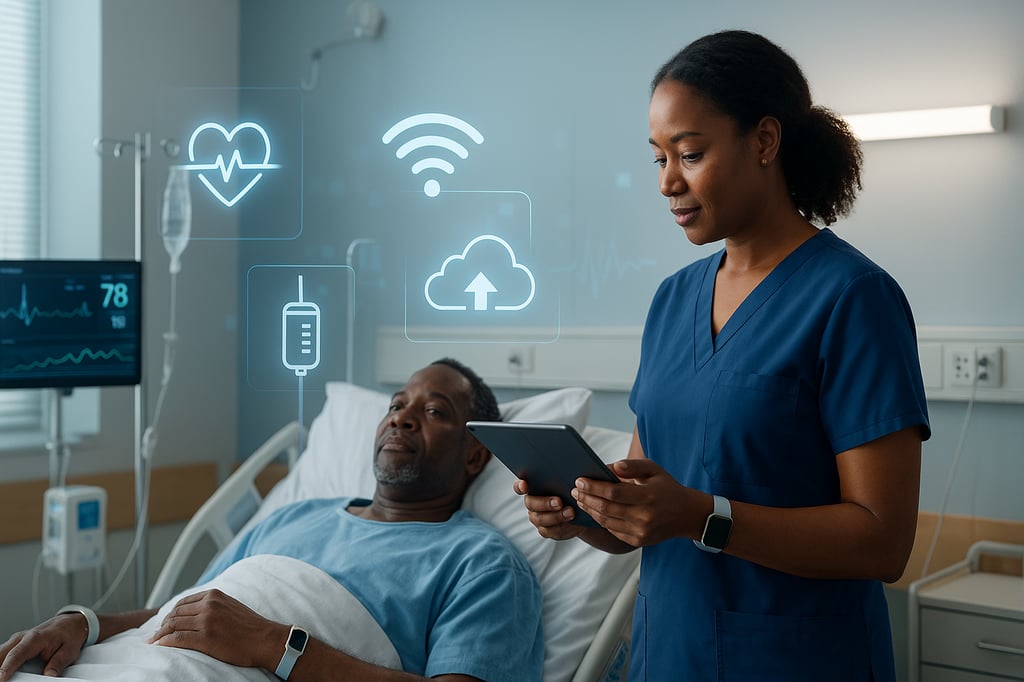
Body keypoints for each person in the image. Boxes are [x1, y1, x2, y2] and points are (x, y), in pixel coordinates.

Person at [517, 30, 930, 682]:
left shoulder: (854, 299)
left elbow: (884, 541)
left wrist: (703, 516)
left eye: (690, 153)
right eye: (658, 159)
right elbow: (646, 509)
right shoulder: (671, 301)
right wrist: (583, 515)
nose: (667, 182)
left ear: (765, 142)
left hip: (796, 661)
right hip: (668, 652)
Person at [1, 358, 543, 682]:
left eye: (434, 411)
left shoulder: (482, 563)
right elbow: (192, 615)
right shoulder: (294, 515)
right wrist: (85, 624)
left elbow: (238, 633)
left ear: (475, 455)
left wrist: (277, 647)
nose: (401, 415)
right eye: (397, 403)